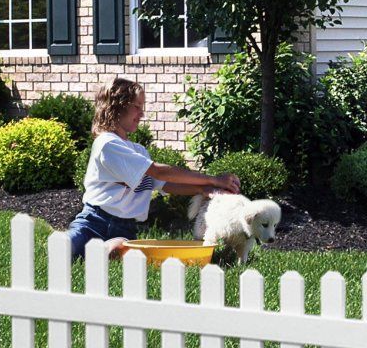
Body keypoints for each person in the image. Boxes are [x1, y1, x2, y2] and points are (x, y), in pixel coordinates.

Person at [68, 78, 240, 261]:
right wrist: (213, 180)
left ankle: (97, 253)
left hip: (125, 228)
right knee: (62, 250)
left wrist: (202, 189)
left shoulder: (139, 151)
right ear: (116, 107)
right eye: (137, 106)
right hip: (92, 222)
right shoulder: (107, 143)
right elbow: (159, 172)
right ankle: (93, 253)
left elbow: (165, 184)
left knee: (118, 248)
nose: (142, 114)